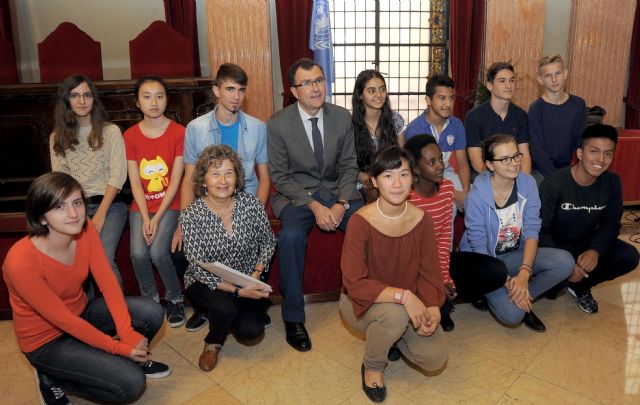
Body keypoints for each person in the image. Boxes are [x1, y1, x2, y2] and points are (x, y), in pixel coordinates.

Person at [2, 172, 170, 405]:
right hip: (46, 341)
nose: (73, 214)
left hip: (81, 312)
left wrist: (127, 333)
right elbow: (64, 321)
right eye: (60, 207)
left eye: (77, 202)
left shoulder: (84, 228)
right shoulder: (20, 262)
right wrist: (120, 349)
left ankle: (124, 360)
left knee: (152, 312)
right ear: (41, 217)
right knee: (131, 384)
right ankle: (51, 378)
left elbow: (107, 282)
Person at [267, 58, 364, 352]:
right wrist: (314, 206)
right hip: (297, 195)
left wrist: (342, 203)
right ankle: (294, 318)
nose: (315, 88)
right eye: (307, 83)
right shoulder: (277, 124)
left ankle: (375, 305)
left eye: (319, 80)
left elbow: (349, 166)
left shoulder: (341, 117)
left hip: (338, 191)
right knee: (290, 237)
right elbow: (280, 176)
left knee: (368, 227)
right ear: (294, 91)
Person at [340, 146, 447, 403]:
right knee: (395, 315)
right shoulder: (360, 221)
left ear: (413, 178)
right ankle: (373, 366)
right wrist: (404, 296)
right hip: (361, 302)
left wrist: (433, 307)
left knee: (435, 358)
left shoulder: (422, 220)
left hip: (407, 303)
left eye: (404, 174)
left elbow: (430, 272)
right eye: (388, 176)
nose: (397, 184)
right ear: (375, 181)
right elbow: (354, 284)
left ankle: (392, 339)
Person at [178, 63, 270, 331]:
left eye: (241, 90)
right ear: (216, 90)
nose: (236, 96)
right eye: (230, 89)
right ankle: (204, 304)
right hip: (208, 203)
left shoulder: (257, 127)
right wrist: (183, 222)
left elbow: (264, 177)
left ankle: (250, 297)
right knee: (179, 248)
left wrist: (255, 213)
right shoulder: (195, 128)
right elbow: (190, 178)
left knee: (255, 243)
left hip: (246, 201)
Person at [459, 134, 573, 332]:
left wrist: (524, 273)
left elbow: (532, 229)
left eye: (516, 156)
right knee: (513, 316)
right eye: (504, 159)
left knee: (565, 262)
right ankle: (494, 294)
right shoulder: (476, 197)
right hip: (486, 261)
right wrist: (505, 280)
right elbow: (479, 248)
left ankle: (523, 297)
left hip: (513, 255)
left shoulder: (528, 184)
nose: (513, 163)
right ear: (490, 164)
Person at [181, 145, 276, 372]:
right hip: (206, 281)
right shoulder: (191, 215)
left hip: (246, 277)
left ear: (237, 178)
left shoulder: (251, 204)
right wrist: (238, 292)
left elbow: (268, 241)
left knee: (250, 330)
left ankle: (233, 312)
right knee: (225, 307)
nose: (223, 181)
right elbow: (197, 265)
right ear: (204, 181)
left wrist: (256, 274)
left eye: (228, 173)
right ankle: (213, 342)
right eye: (215, 174)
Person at [404, 135, 508, 332]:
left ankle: (442, 298)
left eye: (440, 159)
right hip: (412, 267)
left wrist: (445, 277)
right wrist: (433, 280)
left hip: (438, 261)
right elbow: (405, 253)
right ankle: (433, 301)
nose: (440, 166)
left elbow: (444, 239)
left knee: (497, 271)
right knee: (431, 311)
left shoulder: (447, 189)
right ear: (416, 169)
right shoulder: (405, 197)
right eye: (432, 162)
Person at [539, 124, 639, 313]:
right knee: (551, 291)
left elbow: (611, 224)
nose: (601, 159)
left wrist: (595, 250)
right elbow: (540, 230)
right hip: (556, 247)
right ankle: (562, 279)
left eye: (608, 154)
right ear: (579, 153)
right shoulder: (553, 184)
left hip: (586, 243)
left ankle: (580, 286)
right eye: (594, 151)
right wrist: (566, 265)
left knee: (629, 256)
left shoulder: (612, 182)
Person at [50, 74, 127, 287]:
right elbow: (61, 180)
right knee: (79, 262)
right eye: (75, 96)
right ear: (66, 100)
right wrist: (77, 211)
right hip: (75, 206)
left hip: (110, 205)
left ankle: (118, 307)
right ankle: (87, 306)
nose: (82, 101)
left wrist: (100, 214)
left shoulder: (111, 131)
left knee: (103, 259)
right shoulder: (57, 136)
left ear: (94, 99)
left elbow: (118, 175)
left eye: (87, 95)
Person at [124, 76, 186, 327]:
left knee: (159, 252)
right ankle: (149, 301)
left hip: (170, 204)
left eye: (159, 96)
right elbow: (135, 182)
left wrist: (157, 218)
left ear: (166, 100)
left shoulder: (179, 132)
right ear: (137, 102)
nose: (154, 102)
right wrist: (145, 216)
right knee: (138, 253)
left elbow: (176, 181)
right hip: (141, 206)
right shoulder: (130, 135)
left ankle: (175, 297)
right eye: (147, 97)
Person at [405, 74, 471, 210]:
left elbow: (462, 162)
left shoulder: (457, 124)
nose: (448, 104)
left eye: (451, 98)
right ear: (428, 100)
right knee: (449, 204)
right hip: (423, 177)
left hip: (446, 172)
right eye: (442, 98)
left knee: (472, 199)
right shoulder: (415, 129)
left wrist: (466, 191)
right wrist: (453, 194)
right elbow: (414, 171)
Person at [464, 62, 532, 177]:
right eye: (502, 81)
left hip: (514, 173)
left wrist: (524, 181)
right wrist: (501, 181)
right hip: (484, 175)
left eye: (512, 80)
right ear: (490, 86)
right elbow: (477, 162)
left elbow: (524, 155)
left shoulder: (521, 115)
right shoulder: (474, 117)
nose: (509, 86)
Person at [529, 54, 587, 184]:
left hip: (568, 168)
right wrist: (557, 179)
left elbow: (581, 141)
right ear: (540, 79)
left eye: (558, 73)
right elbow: (538, 151)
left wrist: (580, 171)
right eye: (548, 76)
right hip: (541, 170)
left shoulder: (578, 104)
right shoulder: (536, 109)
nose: (554, 79)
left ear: (565, 74)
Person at [351, 69, 405, 201]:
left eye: (382, 89)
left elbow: (401, 157)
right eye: (371, 91)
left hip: (391, 181)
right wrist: (369, 181)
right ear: (360, 95)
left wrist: (386, 180)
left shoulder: (395, 120)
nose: (379, 95)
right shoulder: (349, 124)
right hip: (360, 184)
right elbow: (347, 165)